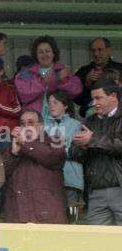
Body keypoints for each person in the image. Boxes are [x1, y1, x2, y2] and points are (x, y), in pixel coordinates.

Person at [71, 79, 122, 225]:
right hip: (95, 192)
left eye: (98, 98)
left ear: (113, 96)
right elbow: (74, 153)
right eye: (93, 99)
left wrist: (92, 140)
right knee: (97, 242)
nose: (94, 103)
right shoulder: (89, 121)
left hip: (119, 189)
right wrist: (82, 146)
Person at [4, 110, 67, 224]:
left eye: (31, 123)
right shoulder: (15, 146)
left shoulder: (54, 141)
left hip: (48, 216)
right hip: (18, 215)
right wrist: (13, 152)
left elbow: (51, 157)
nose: (26, 127)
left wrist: (25, 144)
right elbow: (2, 173)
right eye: (22, 124)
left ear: (41, 126)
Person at [15, 35, 82, 115]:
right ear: (36, 55)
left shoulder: (62, 70)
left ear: (54, 53)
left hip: (59, 121)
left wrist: (64, 80)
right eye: (40, 52)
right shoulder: (26, 73)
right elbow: (23, 95)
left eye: (47, 51)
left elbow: (76, 91)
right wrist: (43, 82)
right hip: (35, 120)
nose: (44, 55)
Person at [44, 90, 84, 218]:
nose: (51, 106)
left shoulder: (77, 125)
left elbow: (78, 151)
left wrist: (53, 150)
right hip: (48, 178)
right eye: (49, 103)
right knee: (52, 216)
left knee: (72, 218)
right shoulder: (43, 126)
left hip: (71, 178)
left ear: (65, 105)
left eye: (55, 102)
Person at [75, 38, 122, 117]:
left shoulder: (120, 69)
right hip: (92, 114)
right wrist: (87, 83)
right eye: (93, 50)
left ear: (109, 50)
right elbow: (77, 100)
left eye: (100, 50)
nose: (96, 54)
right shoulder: (83, 71)